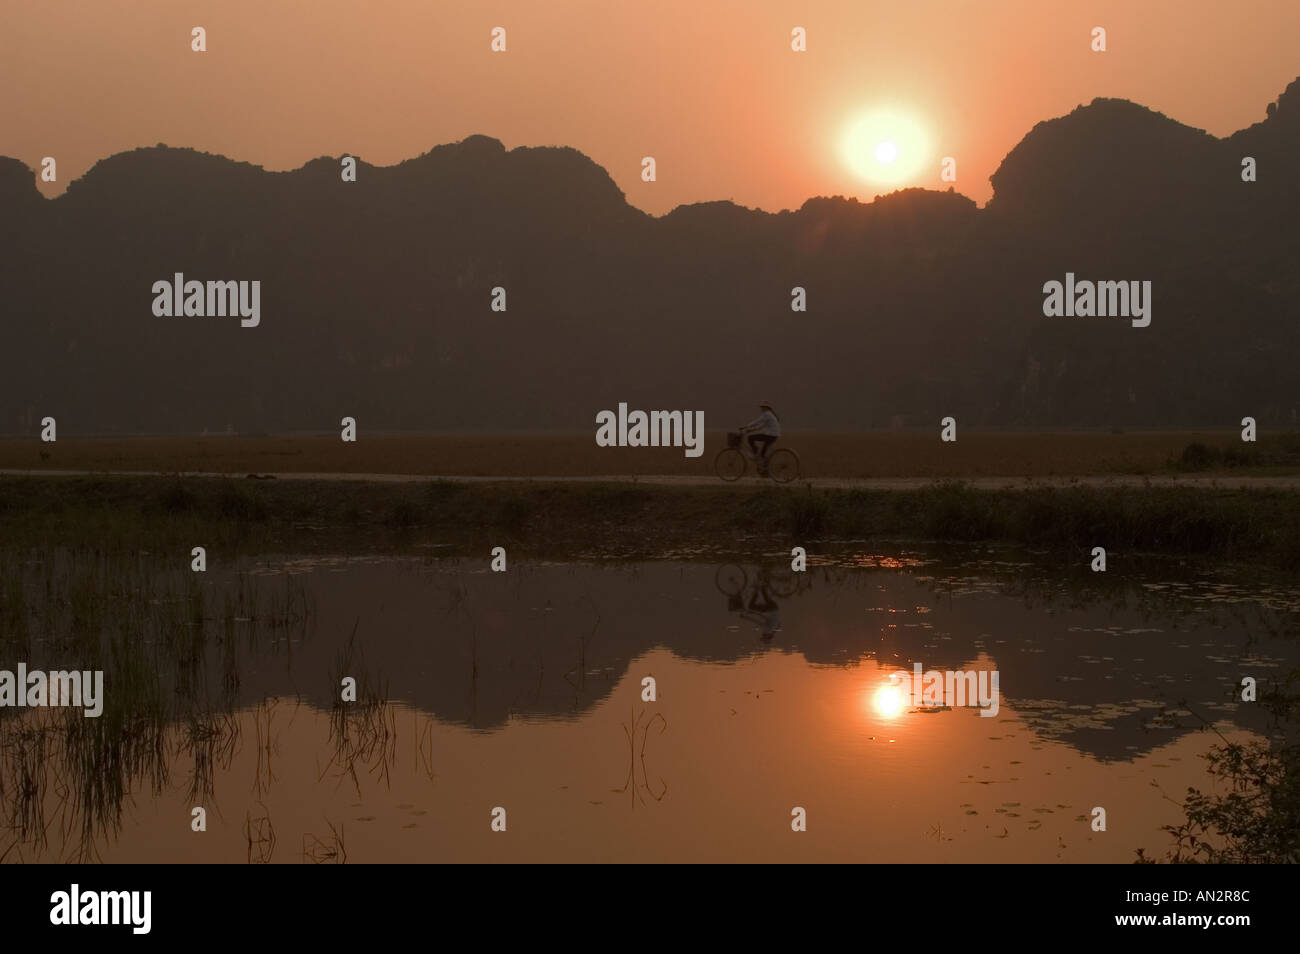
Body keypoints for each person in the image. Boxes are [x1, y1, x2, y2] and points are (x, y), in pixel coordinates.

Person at [738, 402, 780, 475]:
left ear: (766, 408)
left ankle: (755, 453)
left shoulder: (766, 414)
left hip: (770, 435)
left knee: (750, 438)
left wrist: (746, 426)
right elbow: (760, 426)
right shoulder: (770, 415)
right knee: (763, 454)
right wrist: (749, 429)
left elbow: (757, 421)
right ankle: (764, 469)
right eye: (761, 407)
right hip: (774, 435)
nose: (761, 408)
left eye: (763, 407)